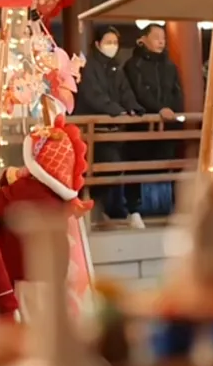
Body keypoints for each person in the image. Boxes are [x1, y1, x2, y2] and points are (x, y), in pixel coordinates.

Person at [75, 26, 145, 228]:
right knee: (103, 167)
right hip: (92, 130)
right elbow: (93, 95)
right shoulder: (89, 67)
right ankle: (91, 209)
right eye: (108, 42)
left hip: (111, 129)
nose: (112, 46)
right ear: (98, 44)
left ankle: (98, 209)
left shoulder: (116, 67)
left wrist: (133, 108)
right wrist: (116, 110)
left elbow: (125, 91)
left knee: (114, 167)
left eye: (115, 42)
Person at [123, 23, 184, 228]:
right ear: (143, 39)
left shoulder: (170, 66)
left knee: (173, 164)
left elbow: (177, 91)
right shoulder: (133, 65)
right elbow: (139, 92)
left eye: (163, 38)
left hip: (167, 124)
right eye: (156, 37)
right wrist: (159, 109)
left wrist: (173, 110)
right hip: (141, 125)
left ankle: (175, 208)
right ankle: (133, 210)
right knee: (136, 166)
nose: (161, 41)